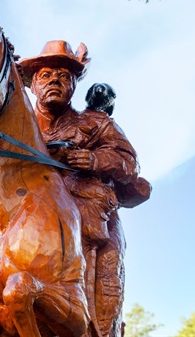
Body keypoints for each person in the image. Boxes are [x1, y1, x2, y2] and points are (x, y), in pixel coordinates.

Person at [19, 41, 151, 337]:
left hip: (89, 215)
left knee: (105, 289)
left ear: (75, 86)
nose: (55, 80)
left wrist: (93, 160)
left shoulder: (96, 123)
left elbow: (128, 162)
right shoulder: (20, 127)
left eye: (64, 76)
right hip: (31, 214)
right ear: (32, 84)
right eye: (46, 75)